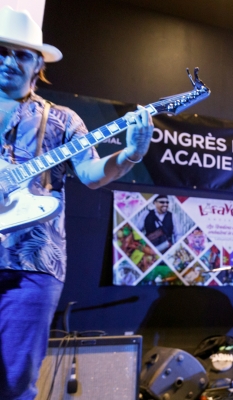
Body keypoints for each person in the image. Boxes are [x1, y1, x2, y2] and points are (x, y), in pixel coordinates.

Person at [0, 7, 153, 399]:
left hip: (33, 267)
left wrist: (131, 155)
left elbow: (90, 173)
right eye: (2, 51)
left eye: (21, 54)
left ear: (38, 64)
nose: (9, 61)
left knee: (15, 385)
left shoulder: (62, 120)